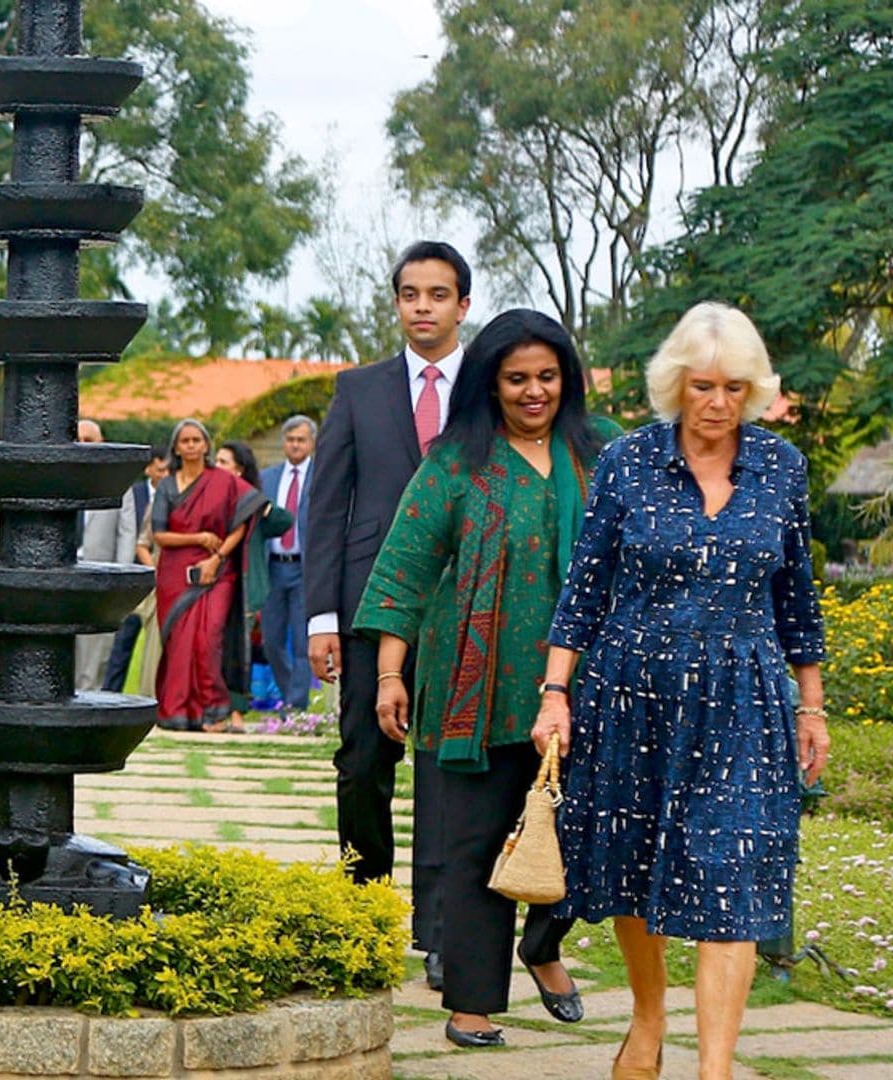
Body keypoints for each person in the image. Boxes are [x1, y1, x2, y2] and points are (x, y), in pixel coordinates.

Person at [534, 302, 828, 1080]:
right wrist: (554, 694)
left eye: (734, 388)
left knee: (730, 873)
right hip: (631, 693)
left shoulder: (782, 467)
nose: (718, 404)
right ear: (676, 385)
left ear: (754, 390)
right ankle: (648, 1019)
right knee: (635, 864)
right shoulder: (628, 462)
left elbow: (797, 596)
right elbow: (585, 589)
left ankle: (716, 1070)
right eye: (702, 386)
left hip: (745, 699)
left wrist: (813, 703)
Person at [353, 309, 615, 1048]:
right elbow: (403, 573)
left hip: (587, 691)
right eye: (516, 379)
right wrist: (390, 676)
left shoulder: (602, 460)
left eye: (547, 376)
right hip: (479, 691)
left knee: (589, 834)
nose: (534, 392)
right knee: (475, 846)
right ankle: (472, 1004)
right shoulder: (456, 464)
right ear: (490, 384)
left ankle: (543, 944)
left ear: (568, 378)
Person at [304, 240, 475, 987]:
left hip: (469, 605)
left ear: (462, 305)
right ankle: (362, 909)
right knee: (363, 763)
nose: (423, 308)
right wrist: (321, 618)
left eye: (438, 295)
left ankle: (440, 931)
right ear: (397, 303)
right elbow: (326, 505)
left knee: (445, 771)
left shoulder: (489, 390)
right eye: (410, 295)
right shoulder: (359, 389)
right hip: (372, 605)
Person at [151, 420, 269, 730]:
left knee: (207, 639)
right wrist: (199, 538)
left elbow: (243, 519)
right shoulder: (166, 485)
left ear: (206, 445)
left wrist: (216, 557)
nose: (190, 445)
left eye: (196, 440)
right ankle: (179, 713)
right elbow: (159, 535)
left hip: (218, 573)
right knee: (179, 644)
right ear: (176, 447)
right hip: (175, 576)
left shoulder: (224, 482)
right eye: (184, 441)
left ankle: (214, 712)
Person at [213, 439, 292, 730]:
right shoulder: (208, 496)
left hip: (244, 587)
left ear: (239, 470)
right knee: (213, 650)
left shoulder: (251, 504)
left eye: (223, 462)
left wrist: (260, 504)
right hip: (211, 584)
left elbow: (284, 522)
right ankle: (215, 711)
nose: (216, 466)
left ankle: (235, 713)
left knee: (238, 653)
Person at [258, 416, 317, 711]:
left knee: (304, 642)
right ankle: (289, 694)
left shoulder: (322, 476)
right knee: (271, 640)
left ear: (312, 443)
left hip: (305, 569)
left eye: (301, 439)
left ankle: (296, 705)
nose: (295, 444)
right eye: (291, 439)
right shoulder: (266, 477)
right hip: (273, 568)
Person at [75, 419, 137, 690]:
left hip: (98, 576)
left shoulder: (117, 483)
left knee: (94, 654)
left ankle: (86, 703)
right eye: (79, 439)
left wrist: (119, 577)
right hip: (59, 575)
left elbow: (127, 534)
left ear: (101, 444)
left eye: (90, 440)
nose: (83, 445)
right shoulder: (53, 479)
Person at [104, 444, 168, 694]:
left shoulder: (173, 494)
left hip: (160, 583)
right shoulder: (135, 494)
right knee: (122, 643)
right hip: (134, 579)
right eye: (160, 469)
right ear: (149, 469)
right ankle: (110, 692)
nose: (164, 474)